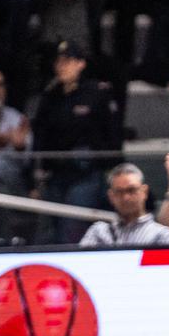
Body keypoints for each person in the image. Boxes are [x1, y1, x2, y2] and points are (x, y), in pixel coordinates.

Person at [32, 40, 121, 243]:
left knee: (71, 226)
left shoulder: (97, 93)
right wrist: (35, 174)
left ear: (81, 63)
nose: (62, 66)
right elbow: (40, 136)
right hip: (54, 173)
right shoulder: (50, 96)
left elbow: (112, 136)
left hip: (86, 172)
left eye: (68, 61)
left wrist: (105, 165)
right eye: (59, 61)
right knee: (45, 230)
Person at [80, 163, 169, 247]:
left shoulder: (162, 235)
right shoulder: (99, 232)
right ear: (111, 196)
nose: (125, 197)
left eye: (131, 190)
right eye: (119, 192)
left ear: (144, 192)